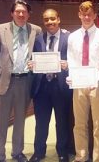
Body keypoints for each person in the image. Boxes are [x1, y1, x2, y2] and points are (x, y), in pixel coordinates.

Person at [0, 0, 42, 162]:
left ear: (28, 14)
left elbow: (39, 55)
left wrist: (37, 64)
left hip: (25, 82)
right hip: (4, 82)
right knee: (1, 121)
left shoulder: (36, 30)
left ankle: (17, 152)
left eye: (24, 12)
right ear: (12, 13)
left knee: (20, 120)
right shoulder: (0, 29)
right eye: (17, 11)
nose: (21, 14)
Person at [67, 1, 99, 162]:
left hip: (97, 84)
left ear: (94, 16)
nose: (86, 17)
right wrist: (71, 77)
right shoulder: (73, 37)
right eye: (83, 14)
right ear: (79, 15)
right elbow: (71, 60)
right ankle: (81, 156)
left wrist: (96, 80)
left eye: (89, 14)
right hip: (78, 84)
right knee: (79, 124)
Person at [28, 9, 73, 162]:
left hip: (61, 86)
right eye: (46, 19)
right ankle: (39, 152)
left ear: (58, 19)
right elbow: (34, 59)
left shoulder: (69, 38)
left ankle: (62, 152)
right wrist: (32, 65)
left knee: (62, 121)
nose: (49, 22)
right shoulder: (38, 39)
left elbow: (75, 60)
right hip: (42, 87)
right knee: (41, 122)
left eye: (52, 19)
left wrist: (68, 65)